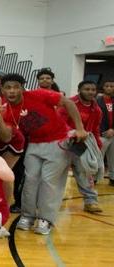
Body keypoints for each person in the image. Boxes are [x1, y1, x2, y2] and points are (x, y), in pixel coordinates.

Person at [0, 73, 87, 235]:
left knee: (49, 181)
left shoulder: (38, 94)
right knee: (30, 180)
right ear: (2, 90)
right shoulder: (4, 108)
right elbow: (6, 137)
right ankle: (28, 215)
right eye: (8, 88)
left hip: (58, 141)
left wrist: (80, 128)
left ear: (22, 88)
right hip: (34, 144)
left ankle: (46, 219)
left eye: (16, 87)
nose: (12, 91)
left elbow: (67, 102)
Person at [60, 81, 103, 213]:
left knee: (84, 173)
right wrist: (72, 132)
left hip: (83, 145)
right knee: (57, 174)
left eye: (93, 89)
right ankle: (51, 201)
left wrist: (97, 145)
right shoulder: (69, 104)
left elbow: (95, 129)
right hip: (64, 144)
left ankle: (91, 201)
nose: (90, 92)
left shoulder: (96, 109)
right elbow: (59, 122)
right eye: (87, 89)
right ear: (79, 90)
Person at [98, 80, 114, 186]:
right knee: (98, 156)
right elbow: (95, 118)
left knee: (113, 157)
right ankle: (94, 178)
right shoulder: (97, 100)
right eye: (107, 86)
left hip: (113, 132)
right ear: (103, 87)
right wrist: (103, 131)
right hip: (102, 133)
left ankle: (113, 178)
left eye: (111, 86)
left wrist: (113, 129)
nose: (109, 88)